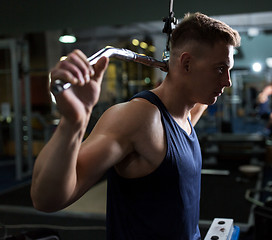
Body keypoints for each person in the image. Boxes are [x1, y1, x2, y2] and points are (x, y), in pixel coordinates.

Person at [31, 12, 240, 240]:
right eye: (220, 69)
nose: (227, 81)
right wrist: (72, 124)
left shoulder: (188, 110)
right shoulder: (138, 118)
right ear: (187, 63)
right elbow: (46, 200)